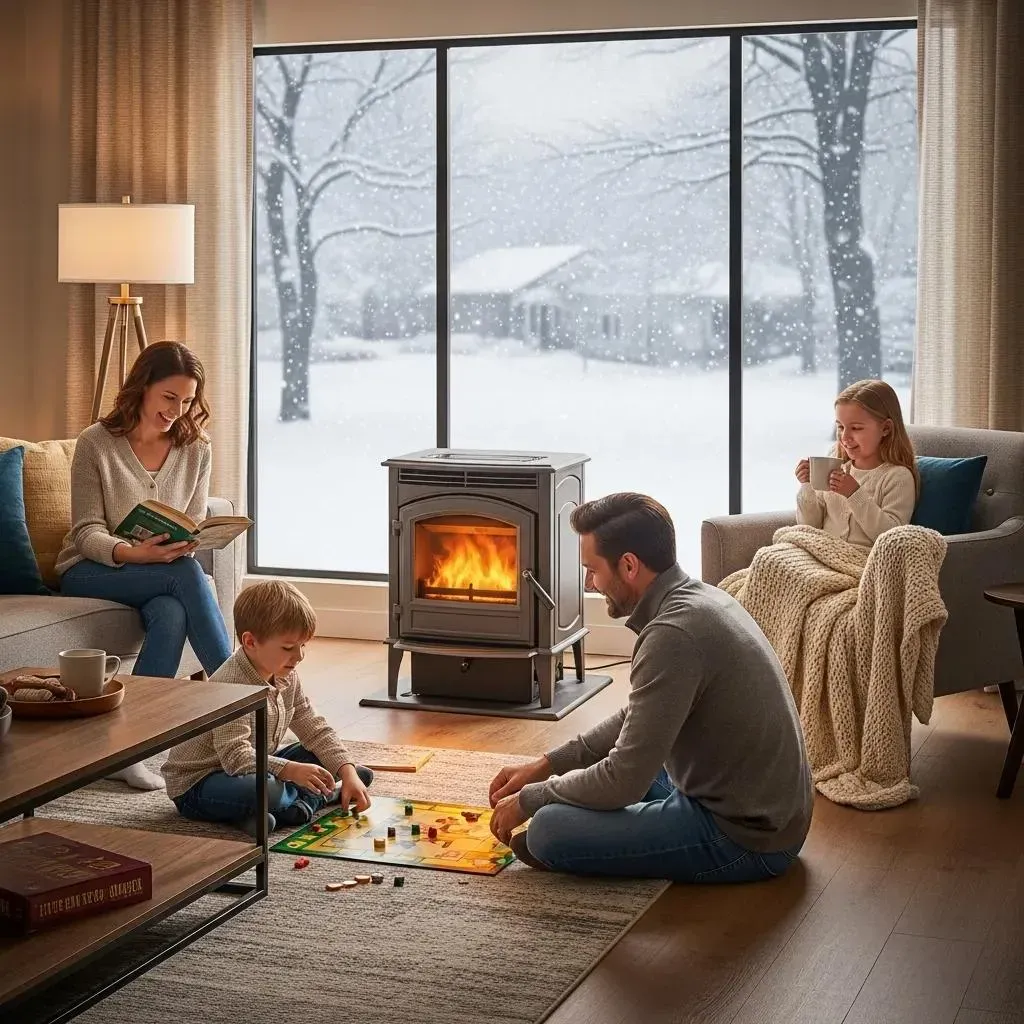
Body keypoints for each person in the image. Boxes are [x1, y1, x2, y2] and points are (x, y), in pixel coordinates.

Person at [487, 493, 814, 882]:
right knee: (601, 773)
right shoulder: (700, 597)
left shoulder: (673, 634)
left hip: (746, 836)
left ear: (628, 565)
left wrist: (532, 799)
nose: (591, 584)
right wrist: (546, 765)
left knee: (548, 829)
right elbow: (640, 716)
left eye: (593, 570)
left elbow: (624, 780)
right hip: (762, 805)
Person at [56, 341, 234, 789]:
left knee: (172, 610)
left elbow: (190, 520)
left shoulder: (197, 449)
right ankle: (241, 700)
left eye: (188, 401)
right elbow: (85, 531)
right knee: (188, 576)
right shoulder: (96, 443)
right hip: (91, 569)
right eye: (169, 397)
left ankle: (129, 748)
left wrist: (182, 543)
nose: (177, 410)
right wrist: (133, 553)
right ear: (143, 388)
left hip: (159, 572)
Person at [162, 580, 373, 837]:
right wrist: (291, 770)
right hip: (200, 784)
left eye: (302, 646)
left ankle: (260, 817)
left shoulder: (285, 673)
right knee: (268, 790)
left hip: (254, 764)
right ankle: (310, 801)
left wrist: (346, 771)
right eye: (288, 647)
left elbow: (314, 728)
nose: (299, 656)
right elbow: (236, 758)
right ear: (250, 642)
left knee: (344, 766)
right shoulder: (230, 685)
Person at [795, 378, 918, 550]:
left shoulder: (897, 477)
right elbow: (809, 527)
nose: (845, 437)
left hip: (861, 564)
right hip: (822, 554)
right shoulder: (837, 468)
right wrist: (806, 485)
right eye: (840, 427)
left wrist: (854, 494)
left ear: (886, 429)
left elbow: (892, 537)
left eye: (856, 428)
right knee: (770, 559)